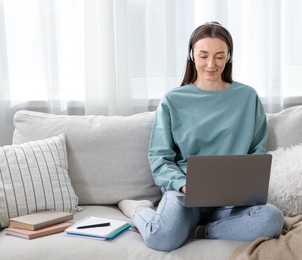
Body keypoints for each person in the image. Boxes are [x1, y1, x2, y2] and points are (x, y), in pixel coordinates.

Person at [118, 21, 284, 251]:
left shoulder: (247, 97)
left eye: (219, 56)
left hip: (233, 200)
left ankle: (202, 231)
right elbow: (160, 158)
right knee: (161, 238)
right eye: (203, 55)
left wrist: (248, 187)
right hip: (185, 196)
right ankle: (138, 210)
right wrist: (184, 185)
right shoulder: (172, 100)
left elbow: (257, 151)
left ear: (228, 57)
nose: (210, 64)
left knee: (272, 219)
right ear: (191, 55)